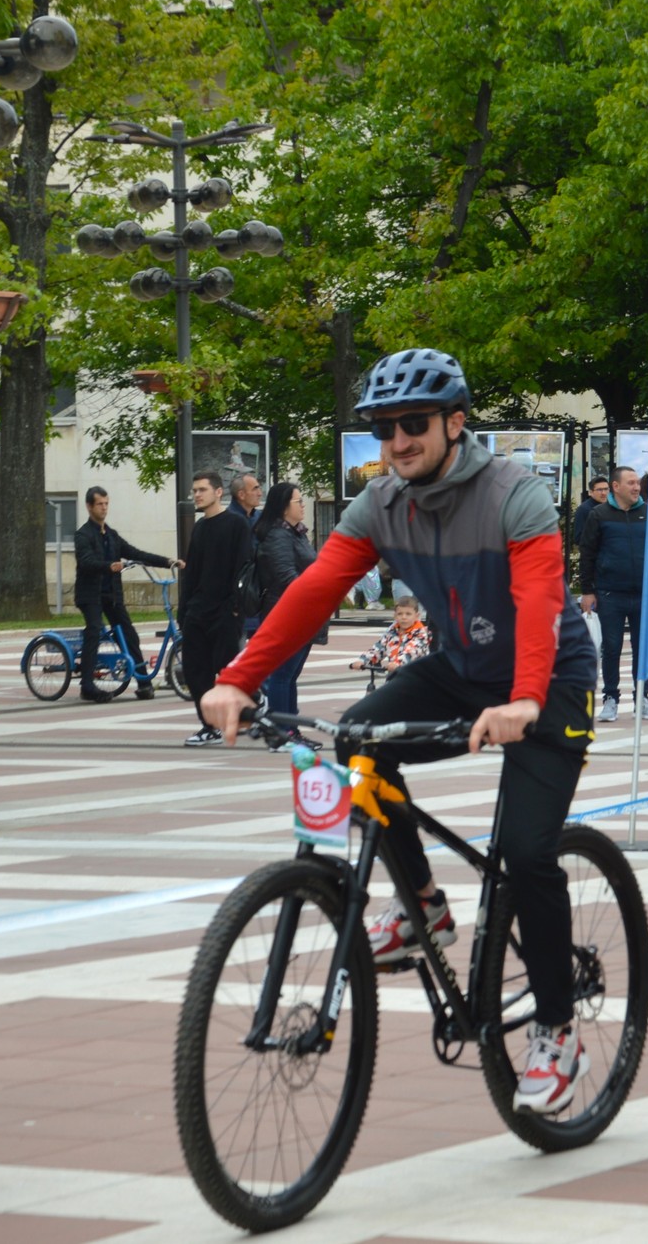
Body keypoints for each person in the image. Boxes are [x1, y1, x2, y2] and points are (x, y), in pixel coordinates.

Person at [202, 346, 600, 1117]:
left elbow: (543, 603)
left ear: (456, 423)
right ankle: (424, 904)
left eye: (413, 424)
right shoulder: (381, 503)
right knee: (356, 738)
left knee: (525, 853)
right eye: (385, 429)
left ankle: (556, 1026)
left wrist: (522, 701)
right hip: (464, 668)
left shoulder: (516, 495)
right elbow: (314, 591)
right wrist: (238, 677)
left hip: (548, 680)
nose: (397, 442)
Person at [71, 487, 180, 702]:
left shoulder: (111, 536)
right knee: (94, 629)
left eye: (106, 504)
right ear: (89, 506)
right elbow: (85, 562)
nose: (104, 508)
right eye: (100, 504)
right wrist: (108, 566)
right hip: (90, 595)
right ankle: (87, 686)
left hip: (111, 595)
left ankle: (144, 683)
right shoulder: (83, 535)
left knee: (129, 634)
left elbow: (137, 554)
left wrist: (168, 562)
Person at [577, 466, 648, 721]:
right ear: (616, 486)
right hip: (610, 593)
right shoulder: (599, 515)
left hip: (644, 593)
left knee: (642, 647)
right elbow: (587, 554)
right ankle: (610, 698)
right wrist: (587, 591)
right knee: (611, 648)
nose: (636, 487)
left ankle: (642, 698)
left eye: (637, 483)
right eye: (631, 483)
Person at [180, 469, 253, 746]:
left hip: (225, 612)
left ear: (218, 492)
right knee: (194, 671)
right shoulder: (199, 528)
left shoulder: (236, 525)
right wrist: (184, 611)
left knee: (227, 669)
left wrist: (235, 608)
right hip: (197, 612)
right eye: (195, 490)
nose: (197, 495)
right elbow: (192, 573)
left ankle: (255, 703)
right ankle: (209, 727)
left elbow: (243, 568)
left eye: (202, 490)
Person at [251, 482, 319, 749]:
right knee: (282, 675)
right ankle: (281, 734)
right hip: (287, 613)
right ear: (283, 507)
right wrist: (317, 591)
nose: (303, 506)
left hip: (302, 612)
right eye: (298, 502)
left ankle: (290, 731)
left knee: (289, 676)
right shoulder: (278, 536)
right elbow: (286, 577)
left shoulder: (296, 533)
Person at [350, 595, 433, 675]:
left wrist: (397, 663)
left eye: (408, 614)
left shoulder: (421, 634)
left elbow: (412, 651)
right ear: (395, 616)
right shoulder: (391, 633)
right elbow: (378, 649)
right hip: (395, 675)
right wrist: (362, 660)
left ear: (417, 616)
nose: (404, 617)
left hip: (416, 677)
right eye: (400, 614)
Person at [571, 475, 609, 554]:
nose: (604, 493)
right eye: (599, 490)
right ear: (591, 492)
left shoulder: (611, 507)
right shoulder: (584, 509)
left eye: (606, 489)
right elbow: (578, 538)